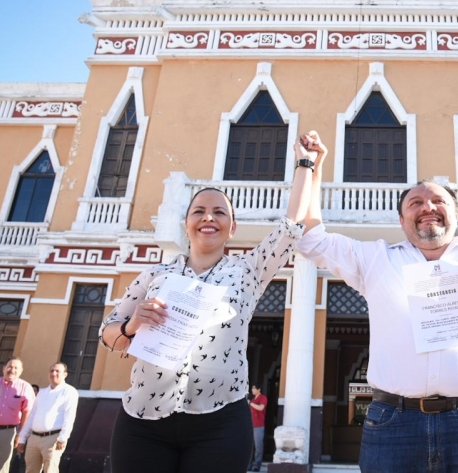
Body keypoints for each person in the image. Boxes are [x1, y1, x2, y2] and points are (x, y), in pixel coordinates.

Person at [296, 132, 458, 473]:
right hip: (392, 422)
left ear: (455, 213)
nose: (428, 207)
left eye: (438, 201)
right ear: (401, 221)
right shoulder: (375, 259)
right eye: (415, 203)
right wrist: (312, 166)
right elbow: (309, 239)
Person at [98, 138, 317, 473]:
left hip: (220, 425)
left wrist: (306, 165)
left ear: (232, 227)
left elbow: (290, 227)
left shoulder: (248, 272)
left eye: (219, 212)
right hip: (143, 422)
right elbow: (108, 335)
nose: (208, 218)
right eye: (198, 211)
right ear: (186, 224)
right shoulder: (155, 274)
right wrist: (132, 325)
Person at [16, 363, 78, 473]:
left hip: (53, 438)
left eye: (57, 371)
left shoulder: (69, 391)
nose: (53, 373)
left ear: (65, 374)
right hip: (34, 438)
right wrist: (22, 438)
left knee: (50, 470)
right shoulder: (42, 392)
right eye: (51, 371)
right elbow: (32, 416)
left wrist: (63, 438)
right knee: (30, 469)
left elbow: (69, 417)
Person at [248, 383, 268, 472]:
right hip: (251, 425)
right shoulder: (253, 399)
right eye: (252, 388)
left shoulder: (263, 398)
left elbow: (260, 408)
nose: (252, 390)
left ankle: (257, 465)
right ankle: (249, 465)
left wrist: (250, 403)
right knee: (250, 446)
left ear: (259, 389)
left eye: (254, 388)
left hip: (259, 426)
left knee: (258, 446)